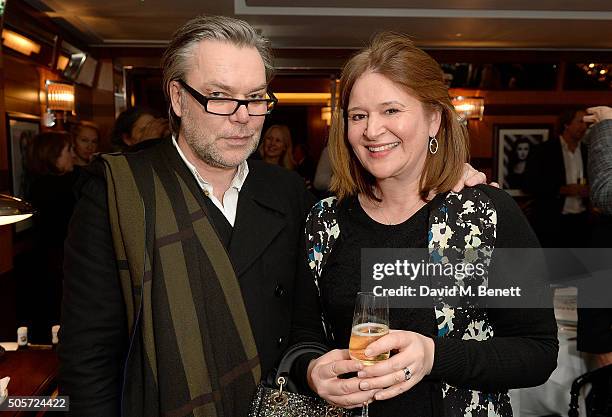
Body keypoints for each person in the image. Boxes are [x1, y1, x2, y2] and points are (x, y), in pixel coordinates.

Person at [59, 16, 490, 417]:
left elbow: (310, 321)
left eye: (255, 98)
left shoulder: (287, 193)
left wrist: (453, 177)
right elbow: (90, 353)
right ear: (177, 97)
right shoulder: (119, 193)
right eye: (220, 97)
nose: (243, 117)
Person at [290, 32, 558, 416]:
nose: (371, 130)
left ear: (434, 119)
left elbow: (537, 351)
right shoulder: (323, 221)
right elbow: (304, 334)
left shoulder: (486, 215)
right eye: (358, 116)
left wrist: (434, 356)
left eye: (391, 111)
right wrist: (313, 369)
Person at [24, 131, 77, 342]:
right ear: (53, 155)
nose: (73, 155)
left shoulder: (36, 185)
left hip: (47, 262)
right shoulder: (59, 187)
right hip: (57, 264)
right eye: (68, 151)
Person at [526, 108, 589, 248]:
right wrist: (563, 190)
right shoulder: (544, 150)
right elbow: (530, 183)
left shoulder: (587, 150)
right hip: (552, 222)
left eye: (586, 124)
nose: (584, 127)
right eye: (580, 122)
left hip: (582, 221)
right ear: (566, 124)